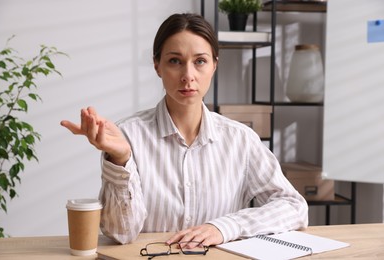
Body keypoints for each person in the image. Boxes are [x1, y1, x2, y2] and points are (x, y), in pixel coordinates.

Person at [61, 13, 308, 247]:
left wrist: (224, 227)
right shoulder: (128, 137)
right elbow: (120, 233)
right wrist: (120, 159)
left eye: (200, 61)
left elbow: (294, 207)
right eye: (175, 61)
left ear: (214, 66)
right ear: (157, 66)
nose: (188, 76)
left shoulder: (240, 140)